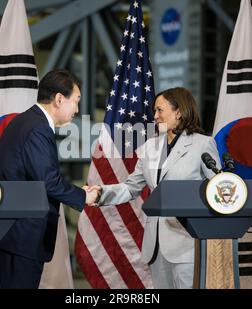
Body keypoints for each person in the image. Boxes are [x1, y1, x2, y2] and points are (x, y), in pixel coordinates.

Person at [88, 87, 221, 289]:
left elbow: (218, 191)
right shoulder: (151, 147)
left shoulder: (203, 145)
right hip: (156, 247)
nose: (155, 116)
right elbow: (131, 187)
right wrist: (100, 193)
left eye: (160, 110)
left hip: (187, 245)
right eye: (154, 111)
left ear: (179, 112)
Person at [0, 69, 99, 289]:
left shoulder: (26, 121)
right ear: (59, 99)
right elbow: (48, 182)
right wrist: (84, 196)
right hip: (22, 237)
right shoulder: (38, 128)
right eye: (76, 101)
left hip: (14, 235)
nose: (77, 110)